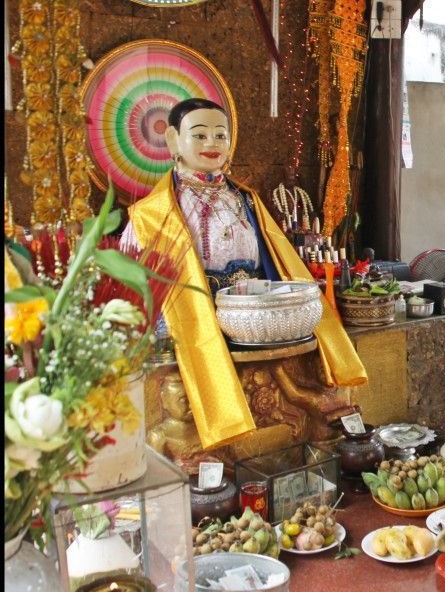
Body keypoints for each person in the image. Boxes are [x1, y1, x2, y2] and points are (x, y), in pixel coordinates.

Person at [121, 98, 367, 450]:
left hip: (254, 317)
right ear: (174, 140)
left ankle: (312, 441)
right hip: (195, 320)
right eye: (200, 134)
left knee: (318, 358)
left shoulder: (243, 198)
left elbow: (274, 260)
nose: (212, 144)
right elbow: (137, 281)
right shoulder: (153, 213)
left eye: (221, 135)